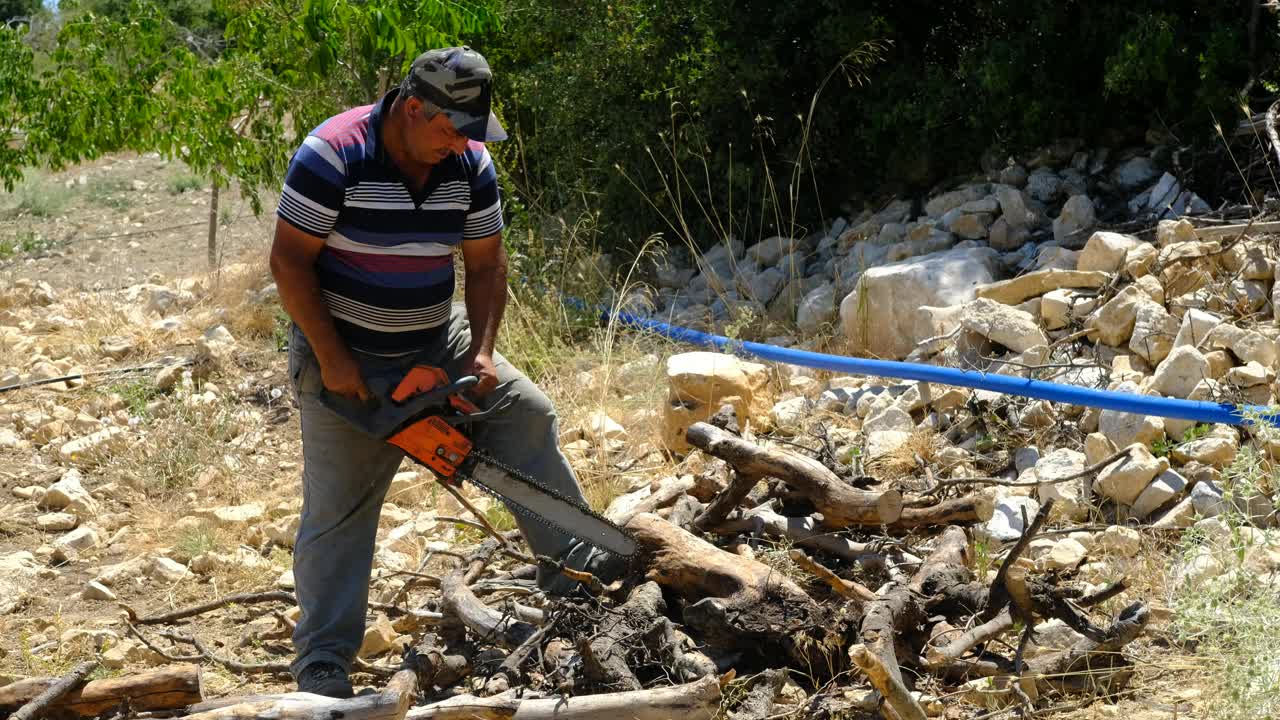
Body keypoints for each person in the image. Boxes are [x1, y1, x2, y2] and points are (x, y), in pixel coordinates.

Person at [270, 46, 616, 699]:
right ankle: (322, 662)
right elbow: (289, 264)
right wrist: (338, 364)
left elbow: (486, 265)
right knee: (338, 512)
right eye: (451, 128)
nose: (461, 143)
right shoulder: (332, 155)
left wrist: (479, 354)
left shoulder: (469, 164)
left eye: (470, 132)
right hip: (342, 347)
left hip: (436, 335)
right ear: (411, 108)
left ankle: (585, 592)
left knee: (528, 415)